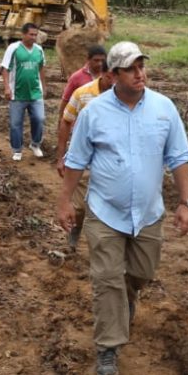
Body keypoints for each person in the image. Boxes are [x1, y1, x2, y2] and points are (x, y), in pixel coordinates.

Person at [56, 41, 188, 375]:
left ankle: (127, 299)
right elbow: (76, 162)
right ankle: (108, 349)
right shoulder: (93, 112)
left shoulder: (164, 108)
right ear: (113, 74)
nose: (139, 73)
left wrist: (186, 202)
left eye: (141, 66)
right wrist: (64, 201)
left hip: (148, 214)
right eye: (131, 68)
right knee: (106, 280)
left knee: (141, 274)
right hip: (105, 212)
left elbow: (179, 158)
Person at [54, 66, 115, 250]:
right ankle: (75, 229)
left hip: (112, 161)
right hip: (85, 158)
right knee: (79, 206)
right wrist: (61, 155)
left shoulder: (126, 98)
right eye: (111, 75)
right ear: (104, 74)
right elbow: (66, 120)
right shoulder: (83, 93)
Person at [0, 22, 45, 161]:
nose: (33, 37)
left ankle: (35, 144)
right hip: (17, 93)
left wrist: (44, 86)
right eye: (31, 34)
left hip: (36, 92)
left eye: (35, 35)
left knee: (39, 119)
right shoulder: (13, 48)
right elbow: (5, 69)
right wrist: (7, 87)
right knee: (15, 123)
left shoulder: (39, 50)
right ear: (23, 34)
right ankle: (17, 150)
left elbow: (42, 68)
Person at [58, 44, 106, 120]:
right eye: (96, 60)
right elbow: (66, 100)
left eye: (102, 61)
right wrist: (61, 121)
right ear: (88, 59)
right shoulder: (77, 77)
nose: (100, 64)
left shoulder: (109, 77)